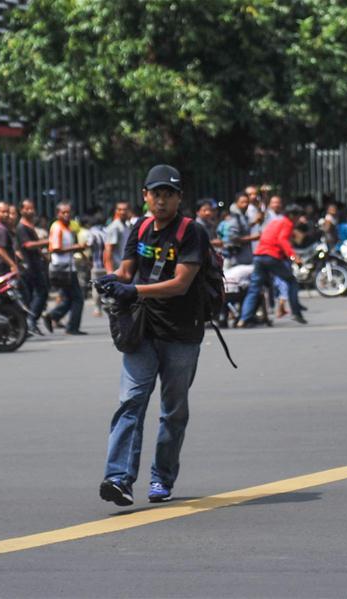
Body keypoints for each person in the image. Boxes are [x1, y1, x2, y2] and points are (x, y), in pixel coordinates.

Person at [97, 164, 209, 505]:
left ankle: (161, 477)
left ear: (179, 198)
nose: (161, 201)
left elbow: (180, 284)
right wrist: (111, 279)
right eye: (155, 194)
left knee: (173, 411)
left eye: (168, 195)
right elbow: (127, 270)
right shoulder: (140, 227)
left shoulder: (192, 232)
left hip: (181, 334)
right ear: (144, 196)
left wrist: (135, 291)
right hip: (142, 331)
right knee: (130, 402)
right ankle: (118, 479)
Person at [237, 204, 307, 327]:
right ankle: (296, 312)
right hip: (271, 256)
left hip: (259, 255)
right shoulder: (287, 223)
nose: (298, 220)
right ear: (292, 216)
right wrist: (293, 257)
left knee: (254, 288)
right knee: (292, 282)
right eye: (297, 217)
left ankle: (243, 319)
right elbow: (282, 240)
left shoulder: (275, 222)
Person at [44, 202, 87, 335]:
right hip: (63, 268)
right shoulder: (57, 227)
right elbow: (55, 248)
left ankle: (53, 316)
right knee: (78, 298)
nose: (67, 215)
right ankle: (72, 327)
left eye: (68, 212)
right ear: (58, 214)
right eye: (63, 212)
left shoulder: (67, 227)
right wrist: (75, 248)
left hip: (68, 267)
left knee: (69, 298)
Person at [17, 199, 49, 334]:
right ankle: (30, 320)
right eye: (27, 209)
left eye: (32, 208)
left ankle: (29, 322)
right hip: (29, 266)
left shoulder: (29, 226)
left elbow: (34, 246)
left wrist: (43, 256)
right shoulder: (22, 227)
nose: (30, 211)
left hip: (35, 265)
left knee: (33, 295)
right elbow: (28, 245)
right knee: (41, 292)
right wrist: (47, 241)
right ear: (21, 210)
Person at [103, 201, 133, 272]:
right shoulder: (114, 227)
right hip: (118, 270)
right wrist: (110, 272)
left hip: (126, 269)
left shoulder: (128, 226)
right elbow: (108, 251)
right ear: (116, 211)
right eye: (119, 209)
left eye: (125, 209)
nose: (122, 212)